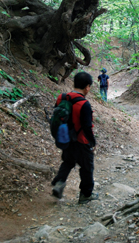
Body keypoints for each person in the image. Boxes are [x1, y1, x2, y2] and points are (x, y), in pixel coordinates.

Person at [51, 72, 99, 204]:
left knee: (67, 162)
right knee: (87, 167)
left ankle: (59, 184)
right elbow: (87, 127)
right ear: (87, 87)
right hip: (81, 141)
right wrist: (92, 142)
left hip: (66, 138)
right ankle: (85, 194)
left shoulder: (62, 97)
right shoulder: (84, 104)